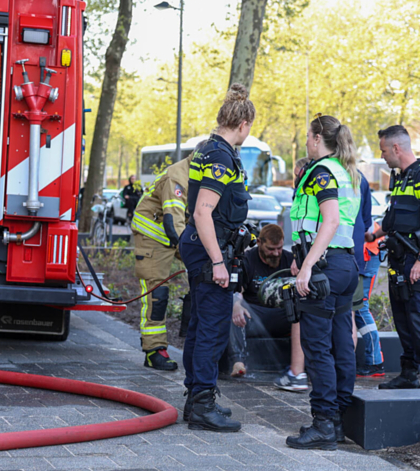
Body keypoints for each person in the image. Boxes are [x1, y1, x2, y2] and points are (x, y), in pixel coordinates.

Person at [179, 84, 256, 432]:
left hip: (202, 248)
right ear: (243, 123)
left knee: (199, 325)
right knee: (211, 329)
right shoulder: (222, 156)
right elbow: (202, 212)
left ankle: (197, 395)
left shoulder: (206, 149)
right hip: (210, 251)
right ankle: (201, 406)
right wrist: (219, 262)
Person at [285, 114, 360, 451]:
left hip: (326, 269)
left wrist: (307, 267)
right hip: (345, 266)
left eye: (306, 136)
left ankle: (323, 424)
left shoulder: (321, 172)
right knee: (342, 345)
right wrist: (301, 257)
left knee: (317, 349)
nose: (305, 142)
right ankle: (339, 421)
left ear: (317, 138)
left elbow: (328, 221)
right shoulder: (345, 170)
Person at [366, 125, 420, 390]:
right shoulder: (399, 178)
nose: (383, 156)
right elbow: (392, 219)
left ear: (396, 148)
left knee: (418, 319)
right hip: (398, 259)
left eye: (384, 150)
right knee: (402, 318)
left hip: (414, 260)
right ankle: (409, 374)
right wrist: (373, 234)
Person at [227, 224, 307, 391]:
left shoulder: (288, 259)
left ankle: (304, 367)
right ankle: (238, 362)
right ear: (259, 243)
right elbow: (237, 291)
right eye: (271, 249)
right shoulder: (248, 259)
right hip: (255, 314)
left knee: (306, 312)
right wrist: (236, 305)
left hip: (285, 315)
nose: (276, 253)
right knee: (233, 311)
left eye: (279, 248)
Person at [130, 158, 189, 371]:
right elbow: (173, 222)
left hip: (176, 233)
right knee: (157, 293)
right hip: (153, 234)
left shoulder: (206, 173)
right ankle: (154, 350)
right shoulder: (178, 177)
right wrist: (194, 254)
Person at [352, 170, 382, 376]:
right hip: (366, 253)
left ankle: (375, 362)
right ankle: (374, 361)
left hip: (367, 254)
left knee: (360, 307)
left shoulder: (353, 180)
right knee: (358, 307)